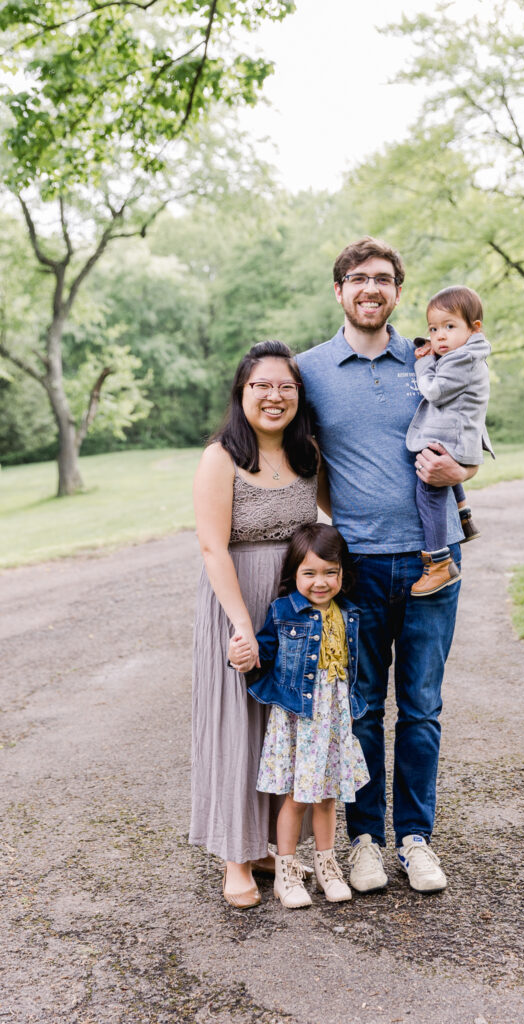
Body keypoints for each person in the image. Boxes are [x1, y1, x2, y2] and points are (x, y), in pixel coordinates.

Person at [296, 236, 490, 894]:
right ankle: (363, 842)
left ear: (398, 292)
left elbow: (473, 429)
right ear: (339, 291)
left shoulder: (432, 354)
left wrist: (459, 470)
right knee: (356, 711)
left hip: (432, 565)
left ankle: (414, 838)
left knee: (421, 708)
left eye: (382, 278)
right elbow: (304, 461)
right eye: (357, 278)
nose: (369, 288)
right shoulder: (310, 370)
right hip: (355, 569)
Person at [189, 339, 326, 910]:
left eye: (285, 387)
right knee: (237, 724)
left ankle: (271, 844)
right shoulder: (221, 456)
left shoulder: (308, 455)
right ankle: (235, 858)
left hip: (291, 608)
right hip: (237, 599)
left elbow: (333, 524)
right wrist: (243, 626)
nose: (274, 396)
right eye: (261, 386)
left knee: (283, 727)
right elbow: (211, 546)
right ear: (242, 392)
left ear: (298, 395)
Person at [229, 523, 369, 908]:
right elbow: (264, 654)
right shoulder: (284, 612)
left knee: (328, 798)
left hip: (334, 721)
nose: (320, 582)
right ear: (294, 575)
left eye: (329, 572)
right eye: (310, 573)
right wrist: (242, 657)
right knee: (296, 797)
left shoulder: (349, 614)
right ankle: (287, 874)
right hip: (300, 720)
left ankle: (327, 866)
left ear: (342, 574)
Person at [406, 285, 493, 597]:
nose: (438, 336)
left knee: (427, 490)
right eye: (433, 329)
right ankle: (463, 514)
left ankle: (438, 563)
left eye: (449, 327)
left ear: (474, 328)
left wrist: (423, 363)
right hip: (459, 436)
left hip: (453, 439)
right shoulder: (466, 353)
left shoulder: (462, 359)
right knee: (435, 468)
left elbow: (434, 391)